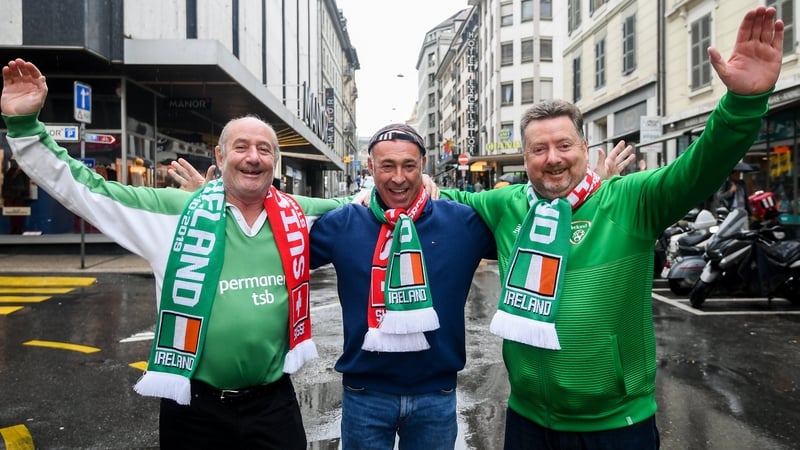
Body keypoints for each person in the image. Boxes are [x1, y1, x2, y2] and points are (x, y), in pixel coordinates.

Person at [436, 7, 783, 448]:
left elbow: (700, 167)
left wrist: (742, 104)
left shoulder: (630, 199)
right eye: (538, 149)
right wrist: (420, 182)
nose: (553, 158)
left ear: (584, 146)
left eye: (564, 145)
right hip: (527, 420)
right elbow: (442, 202)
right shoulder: (507, 203)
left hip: (617, 426)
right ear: (525, 160)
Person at [1, 58, 351, 449]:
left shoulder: (298, 214)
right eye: (241, 147)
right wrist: (26, 128)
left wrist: (425, 186)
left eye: (264, 149)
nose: (254, 156)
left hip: (274, 406)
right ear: (220, 159)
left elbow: (365, 206)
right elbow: (86, 189)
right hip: (194, 408)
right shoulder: (174, 213)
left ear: (274, 161)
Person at [309, 123, 496, 449]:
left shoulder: (461, 222)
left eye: (409, 166)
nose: (398, 178)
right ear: (370, 168)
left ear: (423, 166)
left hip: (435, 396)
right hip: (364, 395)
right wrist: (217, 197)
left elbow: (523, 213)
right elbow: (278, 231)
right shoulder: (344, 223)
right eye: (387, 166)